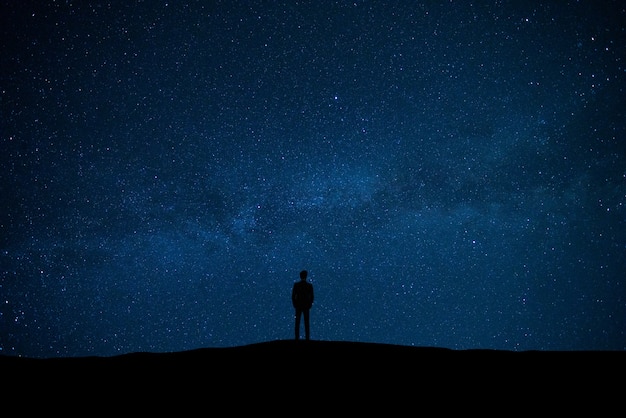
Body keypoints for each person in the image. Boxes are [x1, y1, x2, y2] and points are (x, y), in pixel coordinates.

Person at [292, 269, 314, 341]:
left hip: (298, 306)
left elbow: (293, 296)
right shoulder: (309, 286)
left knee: (297, 322)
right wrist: (310, 304)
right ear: (306, 276)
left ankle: (297, 338)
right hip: (306, 306)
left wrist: (295, 304)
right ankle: (307, 338)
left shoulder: (296, 285)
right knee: (306, 322)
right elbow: (312, 296)